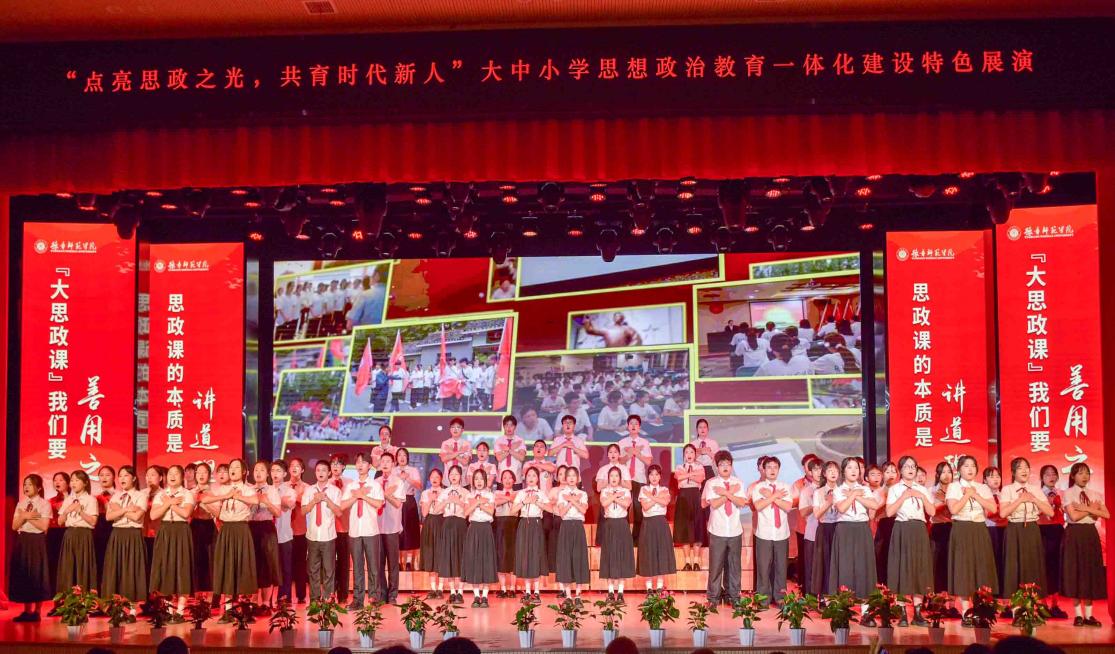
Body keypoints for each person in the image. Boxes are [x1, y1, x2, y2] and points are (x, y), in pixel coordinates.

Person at [947, 455, 999, 624]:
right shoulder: (954, 487)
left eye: (973, 466)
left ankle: (980, 610)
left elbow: (992, 508)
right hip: (962, 529)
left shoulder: (982, 488)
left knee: (981, 568)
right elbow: (954, 509)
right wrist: (966, 495)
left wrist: (974, 495)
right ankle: (965, 613)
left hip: (979, 528)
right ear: (959, 470)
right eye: (966, 466)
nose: (970, 469)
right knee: (964, 570)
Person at [885, 455, 935, 626]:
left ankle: (918, 614)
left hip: (919, 529)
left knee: (919, 569)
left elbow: (932, 512)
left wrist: (921, 496)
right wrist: (904, 496)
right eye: (907, 466)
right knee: (902, 569)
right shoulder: (895, 489)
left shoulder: (922, 489)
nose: (911, 469)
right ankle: (902, 613)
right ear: (900, 470)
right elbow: (889, 512)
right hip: (902, 529)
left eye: (913, 466)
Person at [828, 457, 879, 617]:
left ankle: (866, 610)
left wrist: (856, 495)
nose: (854, 471)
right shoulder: (838, 490)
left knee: (864, 567)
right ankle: (844, 607)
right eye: (849, 468)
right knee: (845, 567)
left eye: (856, 468)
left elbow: (874, 505)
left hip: (862, 529)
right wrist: (853, 495)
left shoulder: (865, 489)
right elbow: (842, 508)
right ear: (843, 471)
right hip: (845, 529)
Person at [999, 457, 1053, 597]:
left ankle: (1033, 602)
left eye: (1026, 467)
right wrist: (1020, 500)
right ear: (1013, 472)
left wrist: (1033, 499)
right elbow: (1003, 513)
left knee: (1032, 565)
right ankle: (1015, 603)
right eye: (1020, 468)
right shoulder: (1008, 489)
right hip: (1014, 530)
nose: (1024, 471)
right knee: (1014, 565)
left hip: (1032, 529)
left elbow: (1050, 512)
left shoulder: (1035, 489)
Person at [1062, 462, 1107, 627]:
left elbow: (1106, 514)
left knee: (1090, 572)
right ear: (1073, 476)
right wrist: (1091, 509)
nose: (1084, 476)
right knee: (1075, 571)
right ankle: (1078, 615)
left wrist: (1084, 509)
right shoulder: (1068, 493)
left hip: (1090, 534)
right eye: (1080, 473)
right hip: (1074, 534)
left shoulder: (1095, 493)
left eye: (1087, 473)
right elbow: (1073, 517)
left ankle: (1089, 615)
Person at [703, 450, 747, 606]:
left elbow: (741, 503)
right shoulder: (711, 483)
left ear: (732, 465)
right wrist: (729, 493)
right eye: (722, 464)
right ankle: (713, 598)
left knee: (734, 566)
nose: (725, 467)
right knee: (716, 566)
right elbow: (714, 504)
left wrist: (725, 493)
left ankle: (733, 597)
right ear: (716, 467)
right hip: (717, 530)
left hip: (735, 530)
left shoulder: (738, 482)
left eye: (728, 464)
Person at [341, 452, 384, 609]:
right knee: (357, 567)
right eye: (358, 462)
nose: (360, 465)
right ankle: (358, 600)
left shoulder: (375, 485)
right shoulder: (351, 486)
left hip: (371, 530)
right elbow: (342, 505)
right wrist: (356, 496)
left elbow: (379, 504)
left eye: (363, 462)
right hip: (354, 531)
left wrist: (363, 496)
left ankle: (374, 597)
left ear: (370, 466)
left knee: (373, 566)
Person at [149, 465, 195, 613]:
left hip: (181, 531)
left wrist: (169, 504)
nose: (172, 476)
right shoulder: (161, 495)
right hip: (165, 531)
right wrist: (169, 502)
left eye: (176, 473)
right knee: (165, 568)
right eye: (170, 473)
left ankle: (180, 610)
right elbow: (153, 515)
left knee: (182, 568)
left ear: (182, 477)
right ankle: (169, 610)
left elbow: (186, 513)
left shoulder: (187, 494)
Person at [102, 465, 149, 601]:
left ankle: (132, 604)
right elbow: (108, 517)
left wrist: (119, 510)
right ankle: (115, 603)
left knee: (132, 568)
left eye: (126, 475)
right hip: (117, 534)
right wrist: (126, 509)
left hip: (133, 534)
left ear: (133, 478)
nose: (122, 479)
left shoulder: (140, 496)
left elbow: (137, 517)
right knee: (115, 568)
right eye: (120, 476)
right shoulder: (116, 496)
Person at [751, 456, 792, 608]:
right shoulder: (758, 488)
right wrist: (775, 496)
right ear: (763, 470)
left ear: (779, 469)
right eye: (769, 467)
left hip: (782, 532)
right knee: (763, 567)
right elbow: (759, 506)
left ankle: (780, 597)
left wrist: (770, 497)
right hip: (764, 532)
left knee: (781, 567)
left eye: (775, 467)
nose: (772, 470)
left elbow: (787, 507)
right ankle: (763, 598)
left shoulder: (785, 487)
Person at [11, 474, 53, 622]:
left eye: (30, 484)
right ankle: (26, 610)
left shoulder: (44, 504)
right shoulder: (21, 503)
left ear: (39, 487)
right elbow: (14, 526)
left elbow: (43, 526)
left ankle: (37, 611)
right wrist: (27, 516)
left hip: (37, 540)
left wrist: (26, 516)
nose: (26, 487)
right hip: (23, 539)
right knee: (24, 574)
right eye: (25, 484)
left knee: (36, 573)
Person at [302, 460, 342, 602]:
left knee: (329, 570)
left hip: (328, 536)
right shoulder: (309, 490)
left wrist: (326, 499)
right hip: (312, 535)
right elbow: (303, 511)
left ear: (329, 472)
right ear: (315, 473)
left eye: (324, 470)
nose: (320, 473)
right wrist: (314, 501)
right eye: (318, 470)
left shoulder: (335, 491)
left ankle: (328, 599)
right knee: (313, 570)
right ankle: (314, 599)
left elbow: (339, 512)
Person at [249, 460, 282, 613]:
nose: (258, 473)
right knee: (252, 565)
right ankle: (252, 601)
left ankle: (265, 603)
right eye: (256, 470)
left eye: (262, 470)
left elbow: (278, 513)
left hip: (267, 528)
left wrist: (267, 502)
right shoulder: (248, 490)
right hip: (250, 527)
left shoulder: (272, 490)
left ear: (267, 474)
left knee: (267, 566)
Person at [598, 465, 635, 602]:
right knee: (609, 557)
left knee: (622, 557)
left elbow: (626, 504)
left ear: (620, 478)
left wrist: (613, 497)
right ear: (608, 478)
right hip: (609, 525)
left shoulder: (626, 491)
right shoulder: (604, 491)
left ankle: (620, 592)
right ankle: (610, 592)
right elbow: (604, 503)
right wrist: (615, 496)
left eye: (616, 476)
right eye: (611, 476)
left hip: (622, 524)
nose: (614, 478)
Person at [553, 467, 590, 602]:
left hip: (578, 526)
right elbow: (562, 513)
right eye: (569, 475)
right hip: (566, 526)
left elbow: (583, 510)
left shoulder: (583, 494)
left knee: (579, 558)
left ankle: (578, 594)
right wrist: (571, 501)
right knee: (566, 559)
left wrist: (572, 500)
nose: (571, 478)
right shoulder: (562, 493)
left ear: (578, 478)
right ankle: (568, 595)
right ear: (565, 479)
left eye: (574, 475)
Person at [461, 469, 498, 607]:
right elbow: (465, 512)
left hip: (486, 528)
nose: (479, 481)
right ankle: (476, 596)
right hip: (474, 528)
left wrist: (478, 503)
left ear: (486, 480)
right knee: (474, 561)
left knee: (486, 561)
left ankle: (485, 596)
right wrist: (478, 503)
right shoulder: (469, 495)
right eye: (476, 478)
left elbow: (491, 511)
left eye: (481, 478)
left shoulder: (490, 495)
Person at [637, 464, 676, 591]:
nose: (654, 477)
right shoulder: (643, 489)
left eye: (656, 474)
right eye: (651, 474)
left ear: (660, 476)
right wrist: (658, 498)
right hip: (648, 523)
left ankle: (660, 586)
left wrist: (651, 497)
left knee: (661, 553)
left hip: (661, 523)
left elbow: (665, 502)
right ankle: (649, 587)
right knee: (648, 553)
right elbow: (646, 506)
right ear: (648, 476)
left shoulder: (664, 489)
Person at [513, 466, 549, 602]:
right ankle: (527, 591)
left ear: (538, 478)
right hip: (524, 524)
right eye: (529, 475)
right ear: (525, 478)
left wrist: (537, 502)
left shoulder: (541, 493)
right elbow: (512, 510)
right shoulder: (521, 493)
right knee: (526, 556)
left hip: (536, 524)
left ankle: (537, 591)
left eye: (534, 475)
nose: (531, 478)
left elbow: (550, 508)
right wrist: (525, 501)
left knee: (536, 555)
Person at [435, 465, 469, 604]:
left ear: (461, 476)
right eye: (451, 474)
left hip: (461, 524)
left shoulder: (466, 492)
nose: (454, 476)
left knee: (460, 557)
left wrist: (458, 501)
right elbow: (436, 509)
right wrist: (447, 501)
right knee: (448, 557)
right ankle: (452, 592)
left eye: (456, 474)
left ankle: (460, 592)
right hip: (447, 524)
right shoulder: (444, 492)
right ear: (448, 476)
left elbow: (469, 510)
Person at [1038, 464, 1068, 618]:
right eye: (1047, 474)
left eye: (1053, 474)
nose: (1051, 477)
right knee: (1043, 567)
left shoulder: (1061, 493)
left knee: (1056, 566)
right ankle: (1042, 605)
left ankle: (1055, 604)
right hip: (1042, 530)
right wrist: (1047, 504)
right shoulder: (1038, 494)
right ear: (1042, 478)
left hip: (1058, 530)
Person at [376, 452, 406, 604]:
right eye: (383, 461)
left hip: (392, 527)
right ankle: (382, 593)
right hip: (377, 527)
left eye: (388, 461)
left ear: (393, 464)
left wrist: (385, 495)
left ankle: (393, 594)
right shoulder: (375, 482)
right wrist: (386, 493)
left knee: (393, 563)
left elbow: (398, 503)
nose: (385, 464)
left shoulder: (398, 482)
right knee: (379, 563)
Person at [673, 443, 706, 571]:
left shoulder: (700, 466)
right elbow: (678, 477)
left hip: (696, 496)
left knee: (697, 528)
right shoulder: (679, 467)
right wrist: (692, 474)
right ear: (683, 455)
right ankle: (687, 562)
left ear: (695, 454)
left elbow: (700, 479)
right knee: (684, 529)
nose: (689, 455)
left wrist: (686, 475)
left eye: (691, 452)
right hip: (683, 497)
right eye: (686, 452)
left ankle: (696, 561)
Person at [620, 415, 653, 540]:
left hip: (640, 478)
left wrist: (637, 453)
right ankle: (624, 537)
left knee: (639, 509)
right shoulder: (622, 442)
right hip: (625, 479)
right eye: (631, 424)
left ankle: (638, 538)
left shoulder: (644, 442)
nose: (633, 426)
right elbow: (620, 461)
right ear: (627, 426)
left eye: (636, 424)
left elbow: (648, 461)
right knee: (624, 508)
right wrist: (630, 453)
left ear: (639, 427)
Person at [189, 463, 217, 602]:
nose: (201, 475)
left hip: (209, 526)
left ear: (209, 475)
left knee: (210, 561)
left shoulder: (214, 492)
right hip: (194, 526)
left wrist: (206, 502)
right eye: (198, 472)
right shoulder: (190, 492)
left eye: (204, 472)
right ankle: (197, 597)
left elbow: (218, 512)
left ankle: (209, 598)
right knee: (195, 560)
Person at [271, 460, 297, 603]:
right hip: (268, 535)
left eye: (278, 471)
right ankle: (267, 599)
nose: (275, 474)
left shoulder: (290, 491)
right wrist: (280, 500)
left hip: (284, 535)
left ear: (285, 474)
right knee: (269, 568)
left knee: (285, 569)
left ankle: (284, 598)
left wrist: (271, 500)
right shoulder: (267, 489)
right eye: (273, 470)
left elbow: (288, 504)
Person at [930, 460, 955, 610]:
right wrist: (947, 503)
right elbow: (932, 511)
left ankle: (952, 604)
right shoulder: (932, 491)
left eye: (949, 472)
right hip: (938, 529)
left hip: (954, 528)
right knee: (937, 565)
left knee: (952, 565)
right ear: (937, 475)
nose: (946, 475)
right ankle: (937, 602)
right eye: (943, 472)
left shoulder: (957, 490)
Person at [328, 453, 352, 604]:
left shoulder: (350, 483)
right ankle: (330, 594)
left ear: (343, 466)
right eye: (333, 463)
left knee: (344, 563)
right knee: (329, 563)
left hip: (345, 527)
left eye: (338, 464)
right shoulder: (325, 483)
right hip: (329, 529)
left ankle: (343, 595)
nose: (335, 466)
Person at [394, 448, 422, 571]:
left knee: (410, 531)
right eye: (399, 455)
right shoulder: (393, 470)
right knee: (398, 532)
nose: (402, 457)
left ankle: (410, 562)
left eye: (404, 455)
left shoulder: (413, 470)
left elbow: (419, 486)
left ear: (407, 457)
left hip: (409, 500)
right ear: (396, 458)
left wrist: (407, 478)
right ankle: (398, 562)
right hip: (396, 501)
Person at [419, 468, 446, 598]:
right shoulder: (425, 493)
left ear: (441, 479)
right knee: (430, 555)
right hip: (429, 523)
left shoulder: (445, 492)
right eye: (432, 477)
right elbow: (424, 513)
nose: (434, 479)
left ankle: (440, 588)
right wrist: (430, 499)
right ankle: (433, 589)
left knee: (441, 555)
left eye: (437, 477)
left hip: (442, 522)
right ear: (429, 479)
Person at [286, 458, 310, 603]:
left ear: (302, 470)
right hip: (284, 531)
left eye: (298, 466)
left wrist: (295, 497)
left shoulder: (307, 487)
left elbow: (306, 503)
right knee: (285, 565)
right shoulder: (283, 486)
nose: (294, 468)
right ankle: (285, 596)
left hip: (300, 530)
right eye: (292, 466)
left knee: (300, 564)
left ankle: (301, 596)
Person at [797, 459, 822, 596]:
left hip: (828, 534)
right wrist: (816, 503)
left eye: (821, 469)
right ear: (810, 472)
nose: (819, 472)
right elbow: (802, 512)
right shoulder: (806, 490)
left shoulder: (831, 490)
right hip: (812, 533)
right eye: (816, 469)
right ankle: (810, 598)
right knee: (811, 568)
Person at [493, 469, 519, 598]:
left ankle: (512, 588)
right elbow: (496, 503)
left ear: (514, 480)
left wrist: (505, 498)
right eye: (504, 478)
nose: (507, 480)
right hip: (500, 524)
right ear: (501, 480)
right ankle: (503, 588)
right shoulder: (496, 492)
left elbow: (517, 502)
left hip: (514, 524)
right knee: (501, 555)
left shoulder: (518, 493)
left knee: (513, 555)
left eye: (510, 478)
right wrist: (509, 498)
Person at [983, 465, 1008, 598]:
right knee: (991, 560)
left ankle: (1004, 590)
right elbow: (987, 513)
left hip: (1005, 529)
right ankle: (990, 591)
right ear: (985, 480)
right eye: (992, 477)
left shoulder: (1005, 494)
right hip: (989, 529)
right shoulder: (982, 496)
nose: (996, 479)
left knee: (1004, 559)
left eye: (998, 476)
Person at [494, 415, 527, 486]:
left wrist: (508, 449)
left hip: (516, 478)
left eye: (511, 425)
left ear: (515, 427)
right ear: (503, 426)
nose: (509, 428)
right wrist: (512, 449)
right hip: (502, 479)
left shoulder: (520, 441)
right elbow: (499, 458)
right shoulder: (499, 441)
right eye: (506, 425)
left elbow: (522, 457)